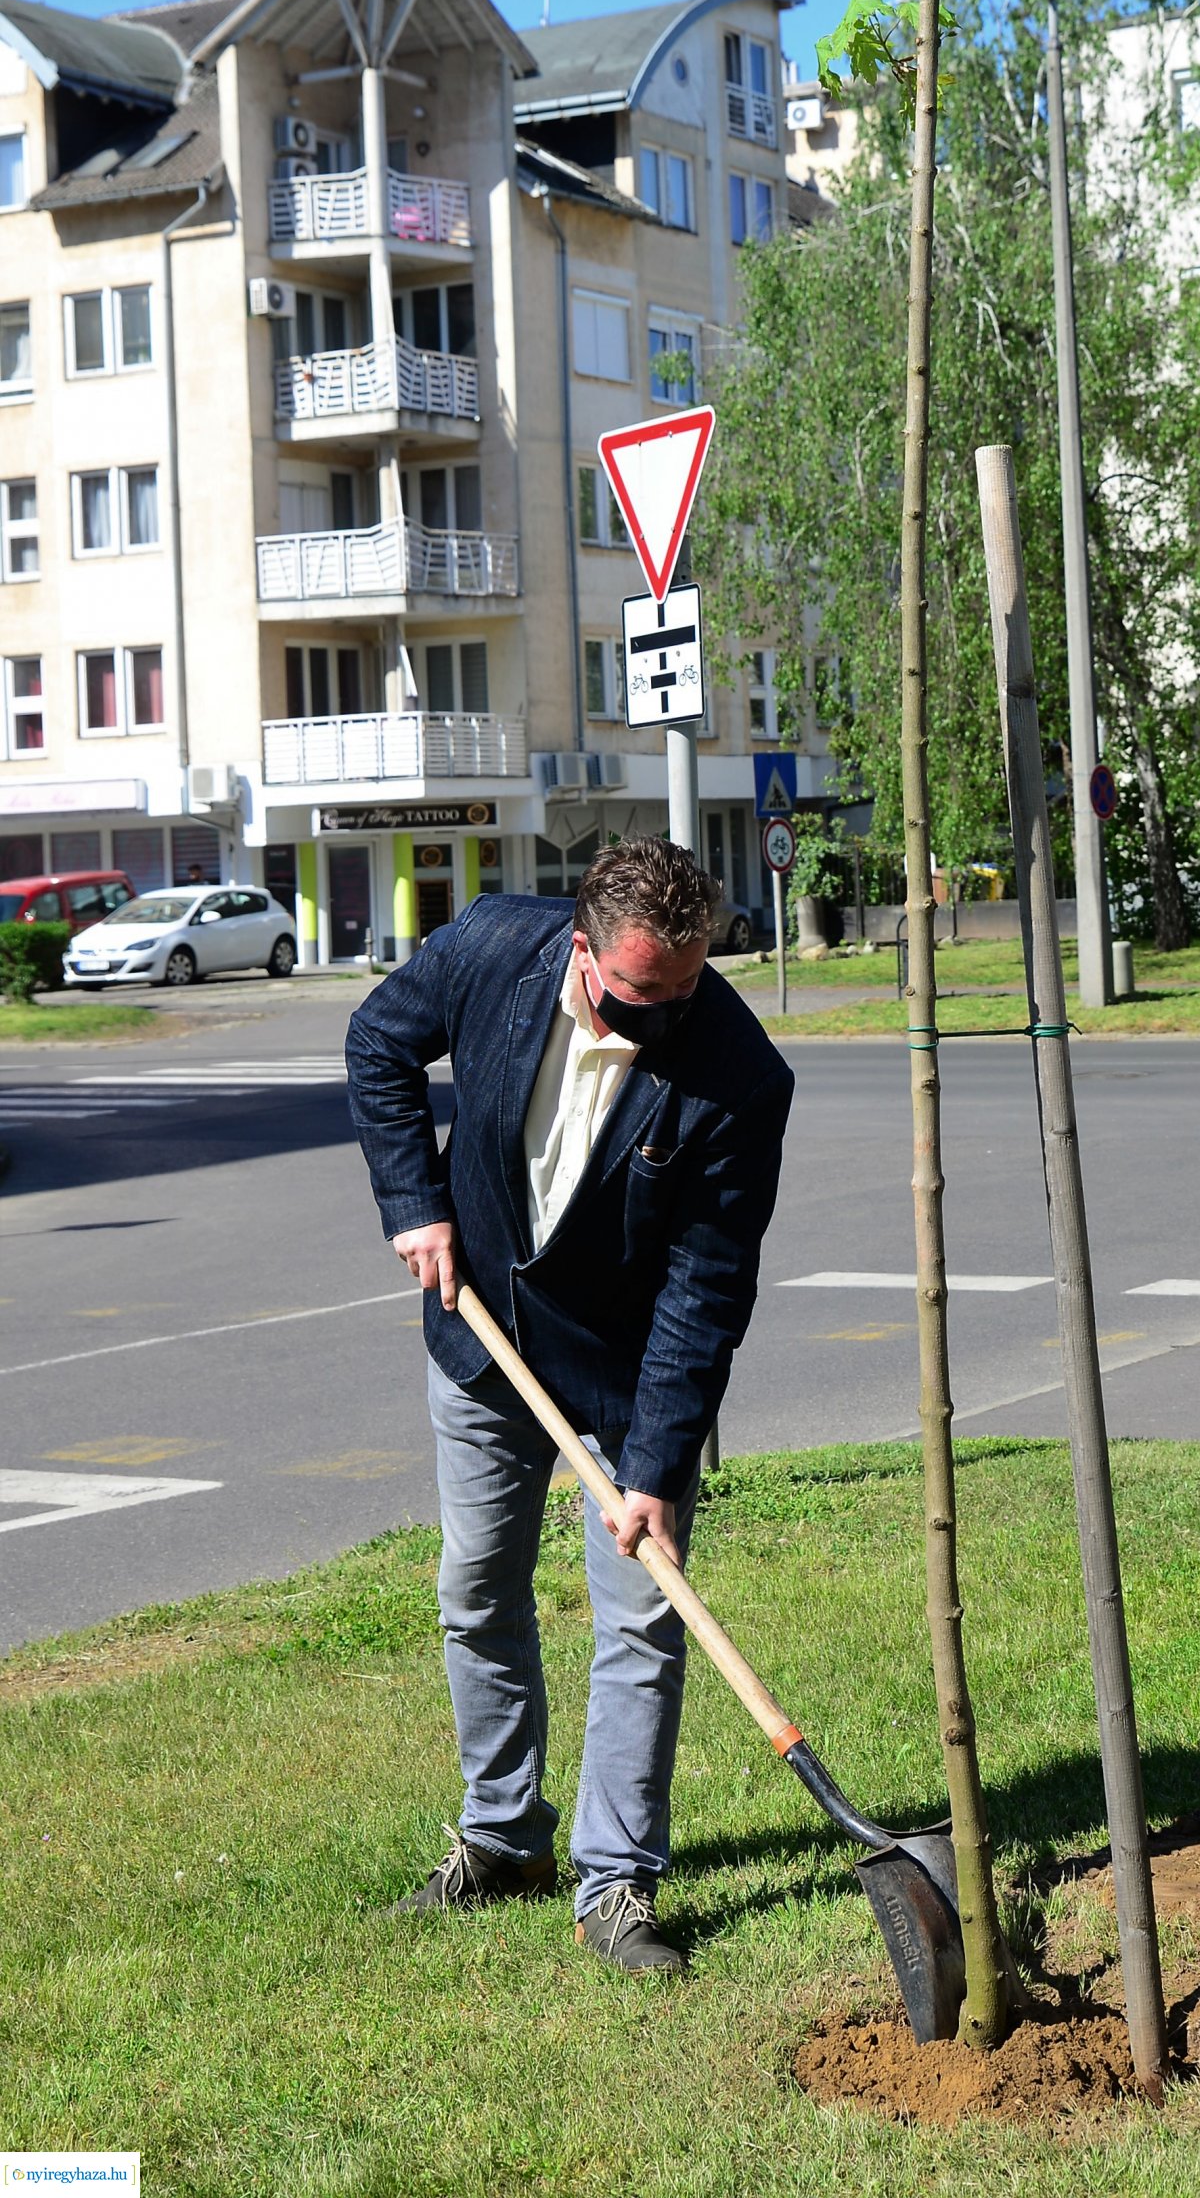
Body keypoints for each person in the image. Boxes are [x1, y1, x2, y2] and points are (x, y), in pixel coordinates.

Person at [345, 836, 794, 1975]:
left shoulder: (738, 1075)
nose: (671, 1016)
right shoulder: (496, 947)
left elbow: (706, 1290)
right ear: (585, 953)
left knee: (643, 1617)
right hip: (483, 1333)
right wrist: (416, 1204)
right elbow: (378, 1042)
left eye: (690, 986)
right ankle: (505, 1839)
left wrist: (650, 1471)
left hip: (631, 1371)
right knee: (476, 1585)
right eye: (647, 994)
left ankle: (616, 1888)